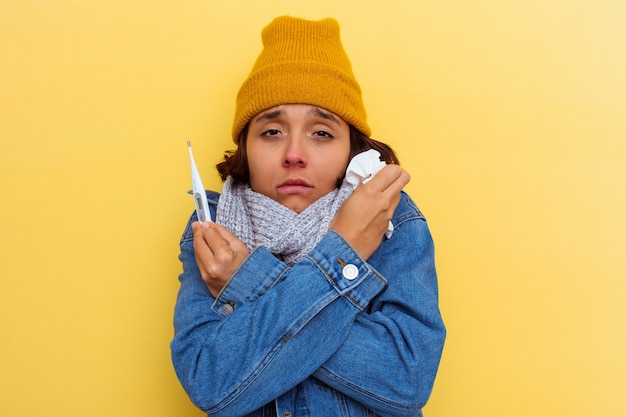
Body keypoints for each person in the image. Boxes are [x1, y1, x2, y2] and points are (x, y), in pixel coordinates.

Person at [171, 15, 445, 417]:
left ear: (352, 147)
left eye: (321, 133)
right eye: (271, 132)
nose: (294, 153)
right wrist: (345, 253)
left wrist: (250, 282)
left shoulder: (391, 220)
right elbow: (209, 380)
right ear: (245, 146)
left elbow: (406, 377)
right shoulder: (212, 225)